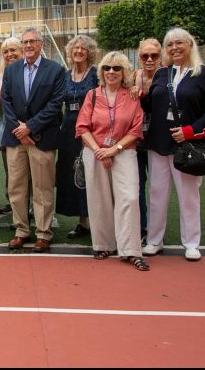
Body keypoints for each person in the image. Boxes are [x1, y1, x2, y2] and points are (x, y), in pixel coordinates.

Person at [142, 28, 205, 262]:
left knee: (188, 196)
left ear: (190, 45)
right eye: (170, 44)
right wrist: (140, 96)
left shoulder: (203, 73)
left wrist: (189, 132)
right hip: (159, 144)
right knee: (157, 194)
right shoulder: (162, 73)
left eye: (179, 43)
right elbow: (150, 106)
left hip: (187, 146)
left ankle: (191, 243)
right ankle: (155, 240)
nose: (174, 48)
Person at [76, 51, 149, 271]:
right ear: (101, 71)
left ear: (124, 72)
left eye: (116, 68)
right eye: (107, 68)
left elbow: (136, 130)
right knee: (100, 199)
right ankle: (104, 244)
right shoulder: (93, 95)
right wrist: (99, 151)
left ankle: (130, 250)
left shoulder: (132, 96)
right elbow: (82, 127)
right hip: (95, 150)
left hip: (123, 151)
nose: (111, 72)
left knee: (129, 198)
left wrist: (114, 150)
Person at [0, 27, 66, 252]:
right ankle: (21, 230)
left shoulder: (55, 70)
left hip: (42, 139)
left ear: (41, 44)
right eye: (25, 42)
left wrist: (30, 127)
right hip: (16, 140)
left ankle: (44, 233)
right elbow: (6, 103)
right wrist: (20, 129)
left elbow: (55, 104)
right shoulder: (11, 71)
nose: (28, 45)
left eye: (32, 41)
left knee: (42, 189)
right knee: (16, 187)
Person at [55, 35, 99, 239]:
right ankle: (83, 222)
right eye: (75, 48)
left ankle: (98, 221)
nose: (79, 51)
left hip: (91, 130)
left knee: (92, 176)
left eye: (83, 48)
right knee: (72, 176)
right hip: (68, 131)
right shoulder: (65, 75)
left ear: (90, 52)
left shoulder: (97, 74)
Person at [131, 38, 162, 241]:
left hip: (159, 142)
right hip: (136, 141)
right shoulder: (133, 77)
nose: (149, 59)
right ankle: (142, 228)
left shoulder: (166, 77)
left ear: (160, 57)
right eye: (145, 55)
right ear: (139, 57)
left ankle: (156, 232)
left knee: (158, 188)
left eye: (154, 55)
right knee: (137, 186)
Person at [0, 37, 23, 216]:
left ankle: (28, 205)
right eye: (5, 51)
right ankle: (13, 202)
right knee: (11, 171)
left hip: (28, 129)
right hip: (7, 131)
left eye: (13, 50)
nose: (9, 54)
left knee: (29, 174)